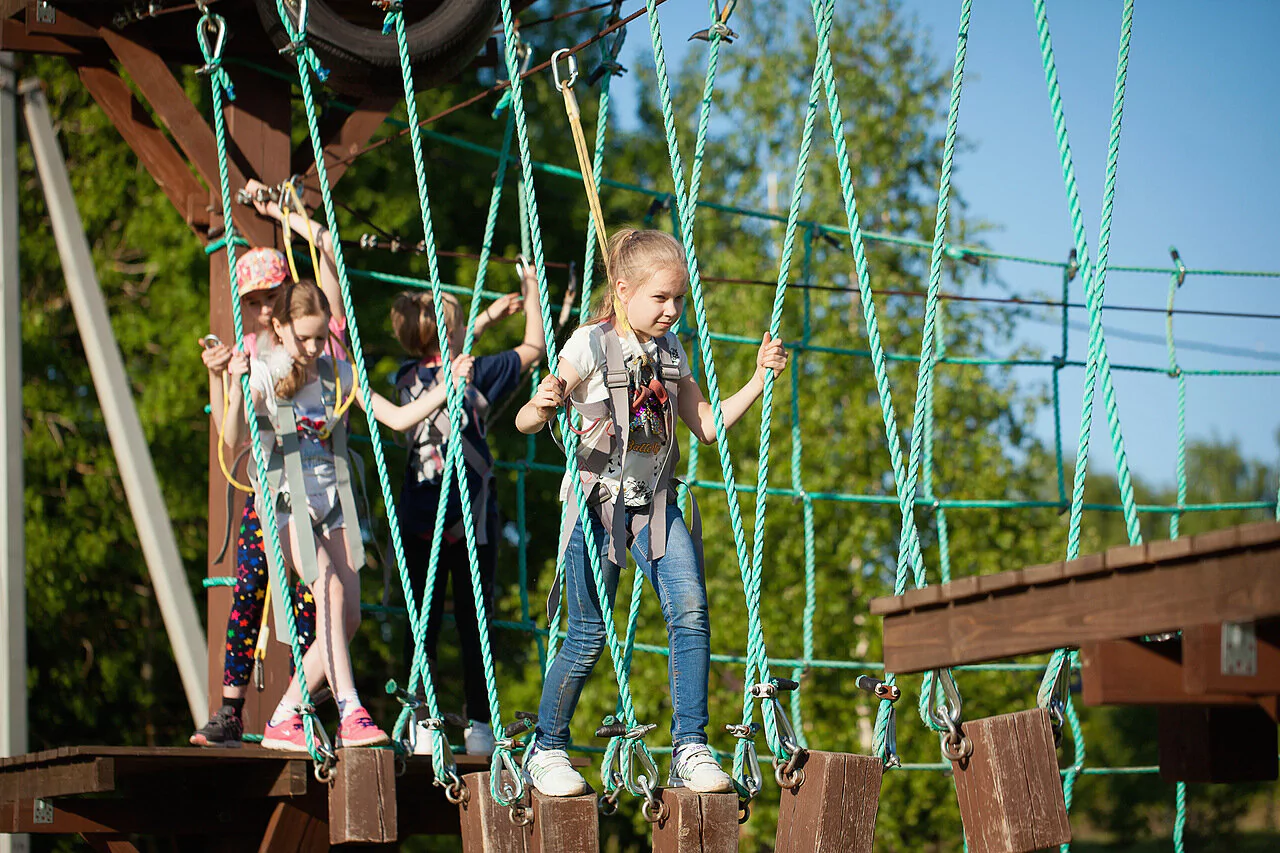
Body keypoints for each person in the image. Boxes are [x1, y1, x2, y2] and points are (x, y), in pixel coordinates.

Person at [514, 229, 789, 796]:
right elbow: (528, 419)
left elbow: (707, 426)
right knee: (587, 635)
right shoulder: (588, 344)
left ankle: (691, 745)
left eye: (678, 300)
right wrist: (540, 406)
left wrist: (760, 378)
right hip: (597, 504)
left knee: (691, 611)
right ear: (623, 291)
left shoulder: (670, 352)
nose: (671, 310)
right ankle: (547, 747)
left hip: (654, 502)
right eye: (660, 298)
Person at [223, 279, 459, 750]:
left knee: (347, 618)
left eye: (319, 337)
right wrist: (235, 383)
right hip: (287, 503)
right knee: (325, 585)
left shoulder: (338, 373)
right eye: (303, 337)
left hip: (333, 504)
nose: (312, 347)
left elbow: (395, 418)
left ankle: (286, 714)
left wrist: (448, 387)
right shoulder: (266, 374)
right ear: (280, 327)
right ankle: (350, 709)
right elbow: (230, 442)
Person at [391, 264, 544, 756]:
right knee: (475, 623)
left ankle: (420, 718)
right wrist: (533, 292)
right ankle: (478, 722)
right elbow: (534, 348)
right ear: (454, 336)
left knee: (425, 622)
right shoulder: (472, 374)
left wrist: (482, 319)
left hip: (422, 509)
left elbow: (444, 345)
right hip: (469, 512)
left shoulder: (406, 377)